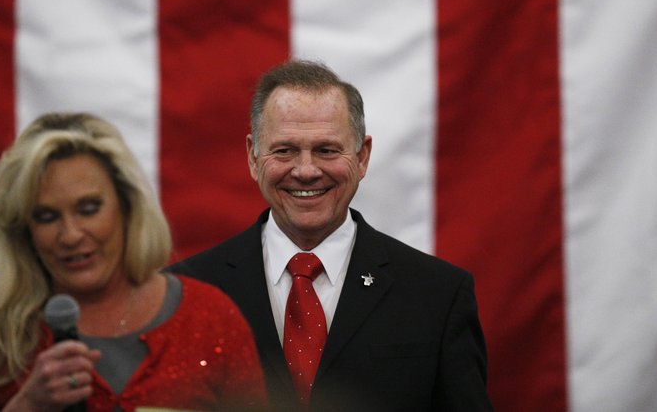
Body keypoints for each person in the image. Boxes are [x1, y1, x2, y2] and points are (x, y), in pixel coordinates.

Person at [169, 60, 493, 411]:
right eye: (285, 150)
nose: (306, 171)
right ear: (253, 157)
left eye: (326, 150)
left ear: (362, 157)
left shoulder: (438, 295)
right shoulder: (184, 292)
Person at [0, 112, 266, 411]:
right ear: (25, 230)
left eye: (88, 209)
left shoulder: (210, 318)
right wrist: (26, 405)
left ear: (126, 207)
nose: (70, 235)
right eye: (46, 216)